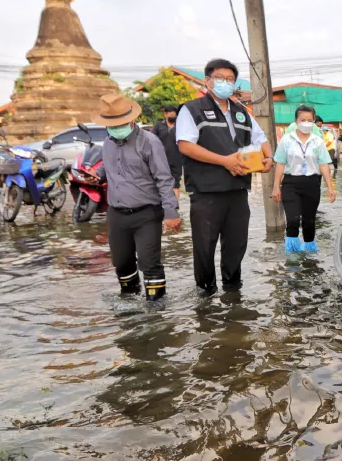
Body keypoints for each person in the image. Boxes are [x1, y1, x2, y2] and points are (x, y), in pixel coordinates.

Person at [176, 58, 273, 294]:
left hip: (238, 192)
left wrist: (269, 158)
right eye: (220, 78)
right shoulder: (192, 109)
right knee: (204, 247)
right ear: (208, 81)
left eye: (230, 79)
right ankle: (206, 295)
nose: (225, 83)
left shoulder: (242, 112)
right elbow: (185, 145)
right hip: (206, 193)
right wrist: (224, 161)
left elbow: (260, 139)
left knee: (236, 246)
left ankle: (232, 294)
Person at [92, 94, 182, 300]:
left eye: (120, 124)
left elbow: (164, 179)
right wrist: (97, 175)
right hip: (117, 214)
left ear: (131, 119)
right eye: (111, 125)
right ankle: (129, 300)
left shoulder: (149, 142)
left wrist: (170, 212)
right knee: (122, 263)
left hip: (146, 214)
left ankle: (156, 311)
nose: (115, 128)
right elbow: (108, 166)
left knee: (149, 264)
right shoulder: (107, 143)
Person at [272, 105, 338, 253]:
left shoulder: (318, 141)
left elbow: (323, 165)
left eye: (310, 120)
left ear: (314, 121)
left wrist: (330, 187)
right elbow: (280, 164)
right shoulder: (286, 140)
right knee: (293, 220)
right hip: (290, 184)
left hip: (312, 183)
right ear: (296, 121)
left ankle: (309, 255)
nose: (306, 123)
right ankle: (292, 254)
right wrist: (276, 186)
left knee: (309, 222)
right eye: (303, 120)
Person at [152, 104, 184, 196]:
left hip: (177, 160)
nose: (172, 115)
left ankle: (174, 207)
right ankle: (163, 206)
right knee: (162, 183)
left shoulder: (181, 126)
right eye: (170, 113)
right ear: (165, 114)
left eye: (174, 113)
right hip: (161, 160)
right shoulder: (159, 125)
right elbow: (152, 140)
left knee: (175, 184)